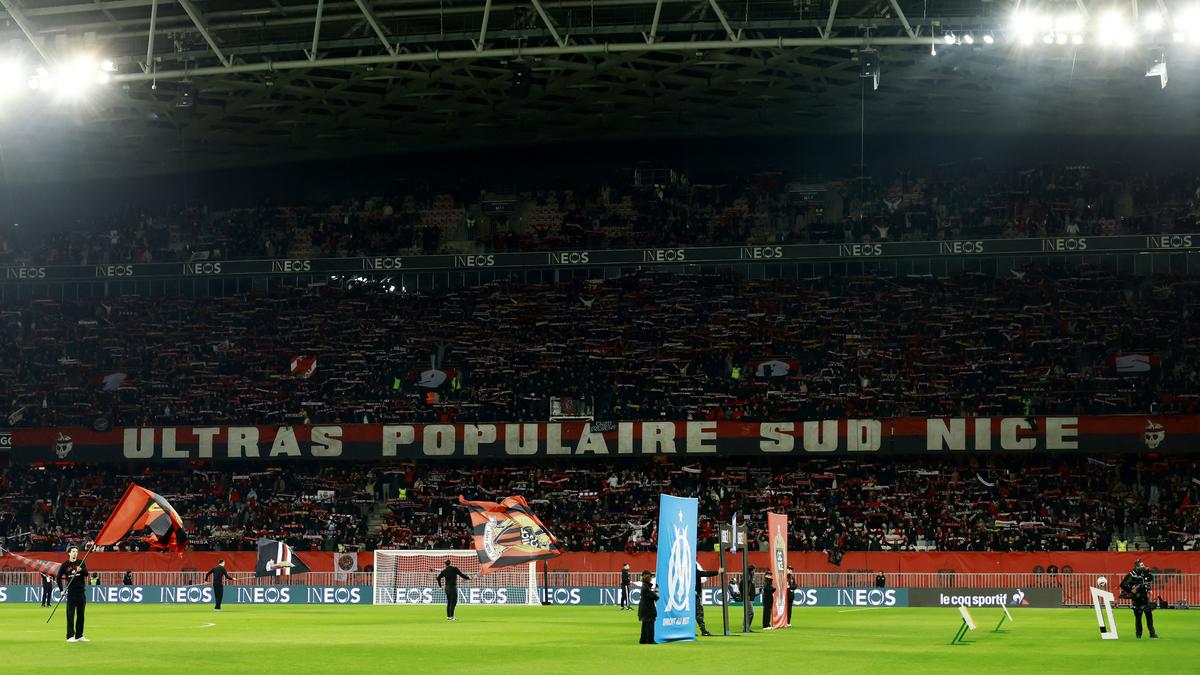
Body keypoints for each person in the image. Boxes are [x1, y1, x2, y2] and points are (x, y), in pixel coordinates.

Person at [57, 545, 88, 643]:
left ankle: (79, 635)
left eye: (76, 551)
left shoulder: (81, 563)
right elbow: (58, 577)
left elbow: (86, 574)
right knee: (70, 615)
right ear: (69, 553)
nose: (75, 553)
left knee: (81, 615)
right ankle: (70, 636)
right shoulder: (65, 565)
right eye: (73, 551)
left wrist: (81, 570)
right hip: (71, 593)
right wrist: (61, 590)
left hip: (81, 593)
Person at [1119, 559, 1158, 639]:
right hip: (1136, 598)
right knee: (1138, 617)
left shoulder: (1144, 573)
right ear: (1136, 567)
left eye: (1143, 565)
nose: (1143, 566)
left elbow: (1147, 582)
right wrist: (1131, 589)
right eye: (1141, 565)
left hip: (1144, 597)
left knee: (1149, 616)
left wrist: (1148, 589)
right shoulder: (1131, 574)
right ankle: (1138, 635)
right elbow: (1123, 584)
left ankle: (1152, 634)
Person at [695, 562, 722, 637]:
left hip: (689, 597)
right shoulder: (695, 572)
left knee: (691, 614)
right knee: (699, 613)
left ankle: (690, 631)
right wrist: (718, 572)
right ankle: (703, 631)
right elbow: (706, 573)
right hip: (696, 596)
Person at [637, 571, 658, 644]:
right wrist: (656, 592)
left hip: (644, 609)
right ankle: (650, 640)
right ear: (647, 578)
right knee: (650, 625)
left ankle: (643, 640)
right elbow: (655, 597)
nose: (652, 578)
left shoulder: (644, 586)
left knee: (645, 625)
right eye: (651, 577)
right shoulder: (646, 587)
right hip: (648, 610)